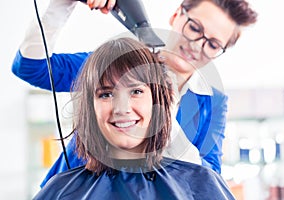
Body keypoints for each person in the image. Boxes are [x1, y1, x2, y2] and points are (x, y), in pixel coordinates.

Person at [11, 0, 257, 186]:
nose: (197, 46)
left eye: (213, 44)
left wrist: (167, 120)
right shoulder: (117, 61)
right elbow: (32, 68)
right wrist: (64, 3)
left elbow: (209, 180)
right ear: (176, 16)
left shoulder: (212, 102)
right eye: (194, 28)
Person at [33, 37, 235, 200]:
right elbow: (28, 66)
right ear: (89, 108)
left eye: (136, 91)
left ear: (158, 101)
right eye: (106, 94)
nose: (122, 109)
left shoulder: (201, 184)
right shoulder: (60, 191)